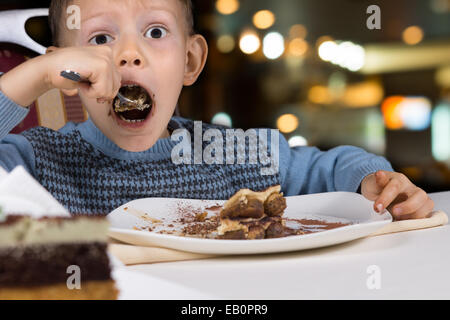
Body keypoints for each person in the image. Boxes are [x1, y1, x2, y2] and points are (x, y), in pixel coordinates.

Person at [0, 0, 434, 219]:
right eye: (99, 40)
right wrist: (33, 76)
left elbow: (331, 167)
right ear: (64, 71)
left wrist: (374, 183)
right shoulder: (37, 164)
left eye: (154, 31)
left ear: (189, 62)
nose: (128, 55)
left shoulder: (235, 153)